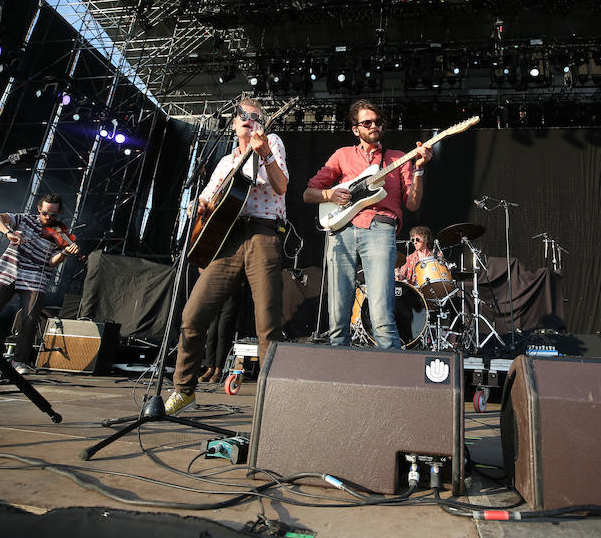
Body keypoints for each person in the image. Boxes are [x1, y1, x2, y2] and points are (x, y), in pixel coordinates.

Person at [165, 97, 287, 415]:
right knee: (193, 316)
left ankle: (270, 399)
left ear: (262, 123)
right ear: (234, 122)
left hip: (262, 233)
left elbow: (282, 185)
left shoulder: (272, 142)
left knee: (267, 322)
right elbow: (204, 200)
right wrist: (198, 207)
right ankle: (183, 390)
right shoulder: (224, 162)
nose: (249, 119)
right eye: (243, 115)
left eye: (256, 116)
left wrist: (265, 156)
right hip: (225, 239)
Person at [304, 99, 432, 349]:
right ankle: (339, 372)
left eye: (378, 122)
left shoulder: (397, 158)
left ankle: (389, 376)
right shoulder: (342, 155)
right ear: (356, 129)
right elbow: (308, 193)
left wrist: (418, 171)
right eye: (367, 122)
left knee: (382, 311)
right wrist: (330, 195)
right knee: (338, 311)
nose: (374, 125)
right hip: (341, 230)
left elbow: (413, 204)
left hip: (380, 228)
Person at [0, 193, 80, 374]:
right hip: (9, 271)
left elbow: (51, 262)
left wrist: (65, 253)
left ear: (59, 213)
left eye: (53, 215)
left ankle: (19, 361)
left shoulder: (61, 233)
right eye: (46, 213)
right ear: (39, 208)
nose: (48, 218)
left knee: (30, 319)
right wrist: (8, 232)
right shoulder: (24, 219)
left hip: (35, 278)